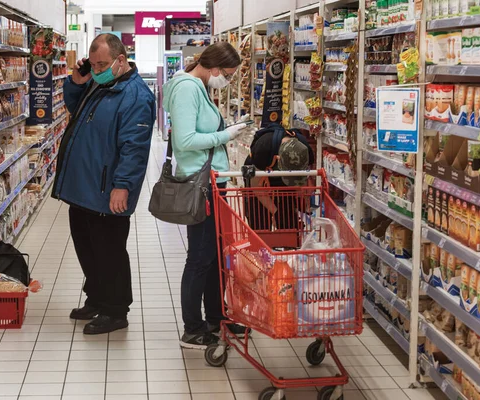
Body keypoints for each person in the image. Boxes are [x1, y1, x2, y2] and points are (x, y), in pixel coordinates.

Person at [52, 33, 156, 335]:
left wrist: (122, 185)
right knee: (87, 248)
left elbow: (134, 148)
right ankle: (96, 298)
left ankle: (115, 310)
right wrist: (78, 79)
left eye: (102, 64)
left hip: (106, 190)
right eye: (93, 64)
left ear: (120, 60)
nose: (97, 69)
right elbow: (74, 107)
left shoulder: (135, 96)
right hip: (83, 188)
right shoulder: (99, 85)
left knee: (109, 251)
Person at [162, 42, 249, 349]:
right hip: (201, 184)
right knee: (199, 257)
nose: (226, 80)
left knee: (213, 256)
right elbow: (185, 140)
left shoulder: (197, 86)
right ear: (214, 69)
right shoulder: (187, 88)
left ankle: (216, 315)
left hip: (213, 181)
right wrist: (228, 134)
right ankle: (193, 327)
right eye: (227, 74)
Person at [243, 126, 314, 244]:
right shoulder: (263, 148)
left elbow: (308, 177)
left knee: (288, 224)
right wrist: (275, 212)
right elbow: (257, 189)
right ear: (278, 158)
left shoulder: (305, 150)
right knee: (260, 225)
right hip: (259, 175)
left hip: (283, 181)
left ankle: (289, 253)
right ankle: (261, 255)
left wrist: (305, 197)